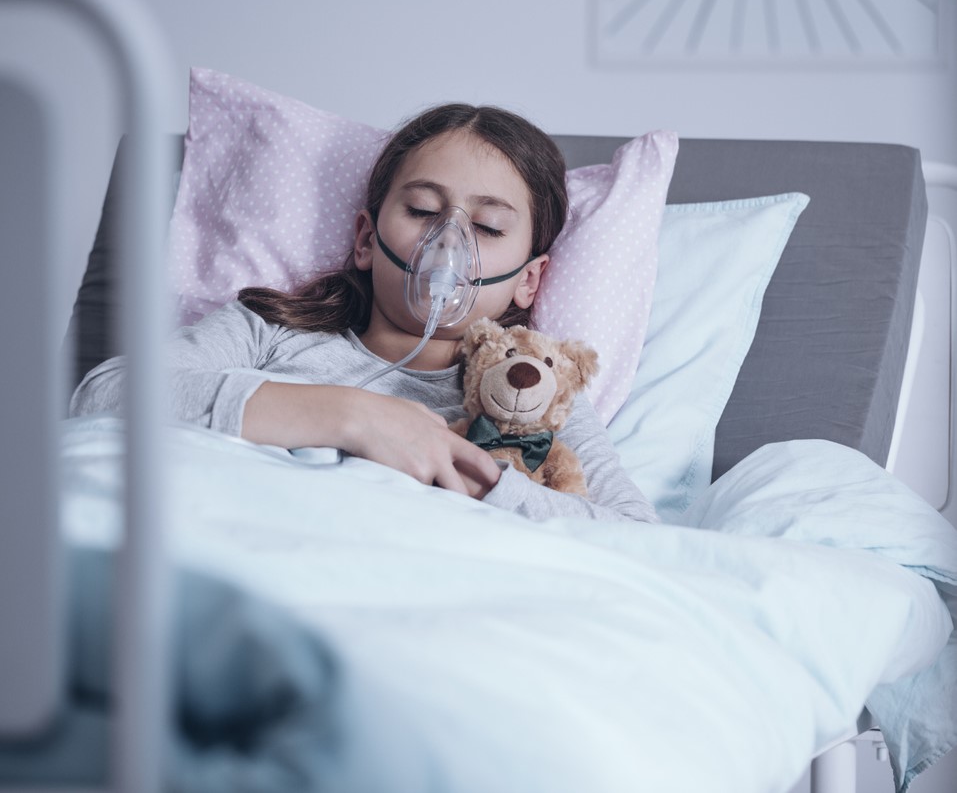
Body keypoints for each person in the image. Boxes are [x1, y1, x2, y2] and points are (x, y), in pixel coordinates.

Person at [70, 103, 657, 524]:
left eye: (488, 226)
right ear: (366, 240)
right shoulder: (270, 332)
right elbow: (103, 395)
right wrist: (351, 416)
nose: (449, 242)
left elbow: (636, 537)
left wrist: (475, 481)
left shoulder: (536, 393)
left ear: (528, 280)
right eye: (423, 209)